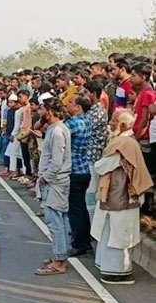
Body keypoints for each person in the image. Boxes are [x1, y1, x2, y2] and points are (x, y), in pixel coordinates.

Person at [91, 108, 153, 284]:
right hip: (120, 194)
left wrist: (96, 165)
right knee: (113, 232)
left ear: (123, 125)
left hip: (120, 195)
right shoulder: (127, 141)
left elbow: (102, 166)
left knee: (116, 234)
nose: (110, 123)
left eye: (113, 120)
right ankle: (110, 268)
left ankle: (117, 272)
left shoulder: (123, 144)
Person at [35, 98, 72, 276]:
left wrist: (45, 178)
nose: (40, 112)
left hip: (55, 181)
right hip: (56, 181)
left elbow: (57, 161)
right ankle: (60, 255)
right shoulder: (55, 129)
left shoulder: (57, 131)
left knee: (55, 222)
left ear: (50, 111)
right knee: (60, 221)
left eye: (42, 109)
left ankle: (59, 261)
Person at [65, 96, 93, 256]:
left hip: (73, 170)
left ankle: (79, 243)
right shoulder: (88, 120)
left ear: (78, 107)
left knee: (74, 209)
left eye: (70, 103)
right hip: (84, 169)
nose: (67, 105)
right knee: (81, 207)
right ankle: (86, 241)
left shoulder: (72, 124)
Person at [84, 81, 109, 218]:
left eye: (86, 93)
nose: (84, 96)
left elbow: (85, 129)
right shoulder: (91, 110)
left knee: (91, 193)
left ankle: (91, 228)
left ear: (93, 94)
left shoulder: (98, 112)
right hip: (87, 156)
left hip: (93, 156)